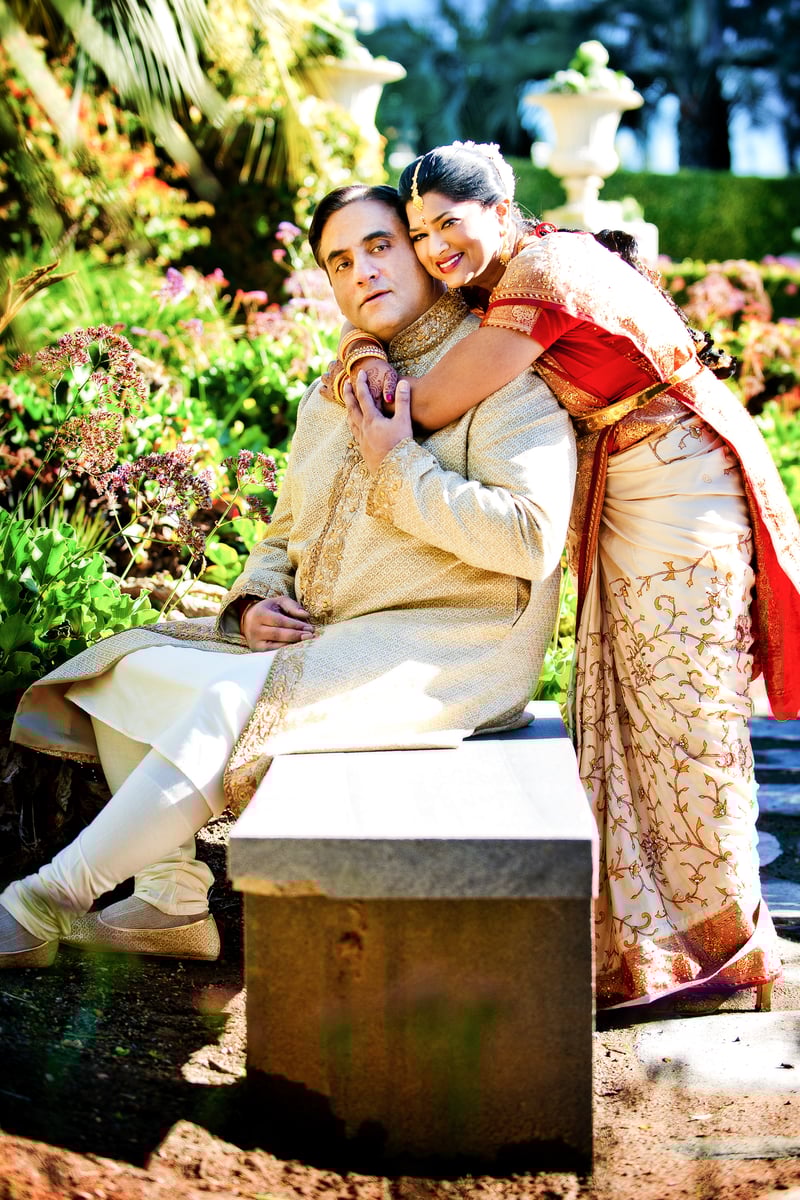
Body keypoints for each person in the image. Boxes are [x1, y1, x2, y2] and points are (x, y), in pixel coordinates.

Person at [0, 183, 576, 969]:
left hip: (452, 648)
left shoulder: (498, 373)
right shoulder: (331, 396)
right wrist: (252, 605)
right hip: (332, 637)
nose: (362, 271)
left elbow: (532, 540)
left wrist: (398, 464)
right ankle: (168, 901)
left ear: (421, 252)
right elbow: (282, 536)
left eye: (379, 246)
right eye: (340, 261)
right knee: (128, 670)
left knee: (225, 703)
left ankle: (41, 901)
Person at [333, 142, 800, 1011]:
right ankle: (662, 953)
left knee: (685, 710)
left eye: (448, 224)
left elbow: (425, 405)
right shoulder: (509, 274)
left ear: (499, 210)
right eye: (420, 233)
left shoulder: (542, 275)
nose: (433, 248)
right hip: (634, 482)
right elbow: (409, 338)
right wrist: (366, 341)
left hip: (682, 485)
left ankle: (733, 955)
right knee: (630, 711)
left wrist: (363, 366)